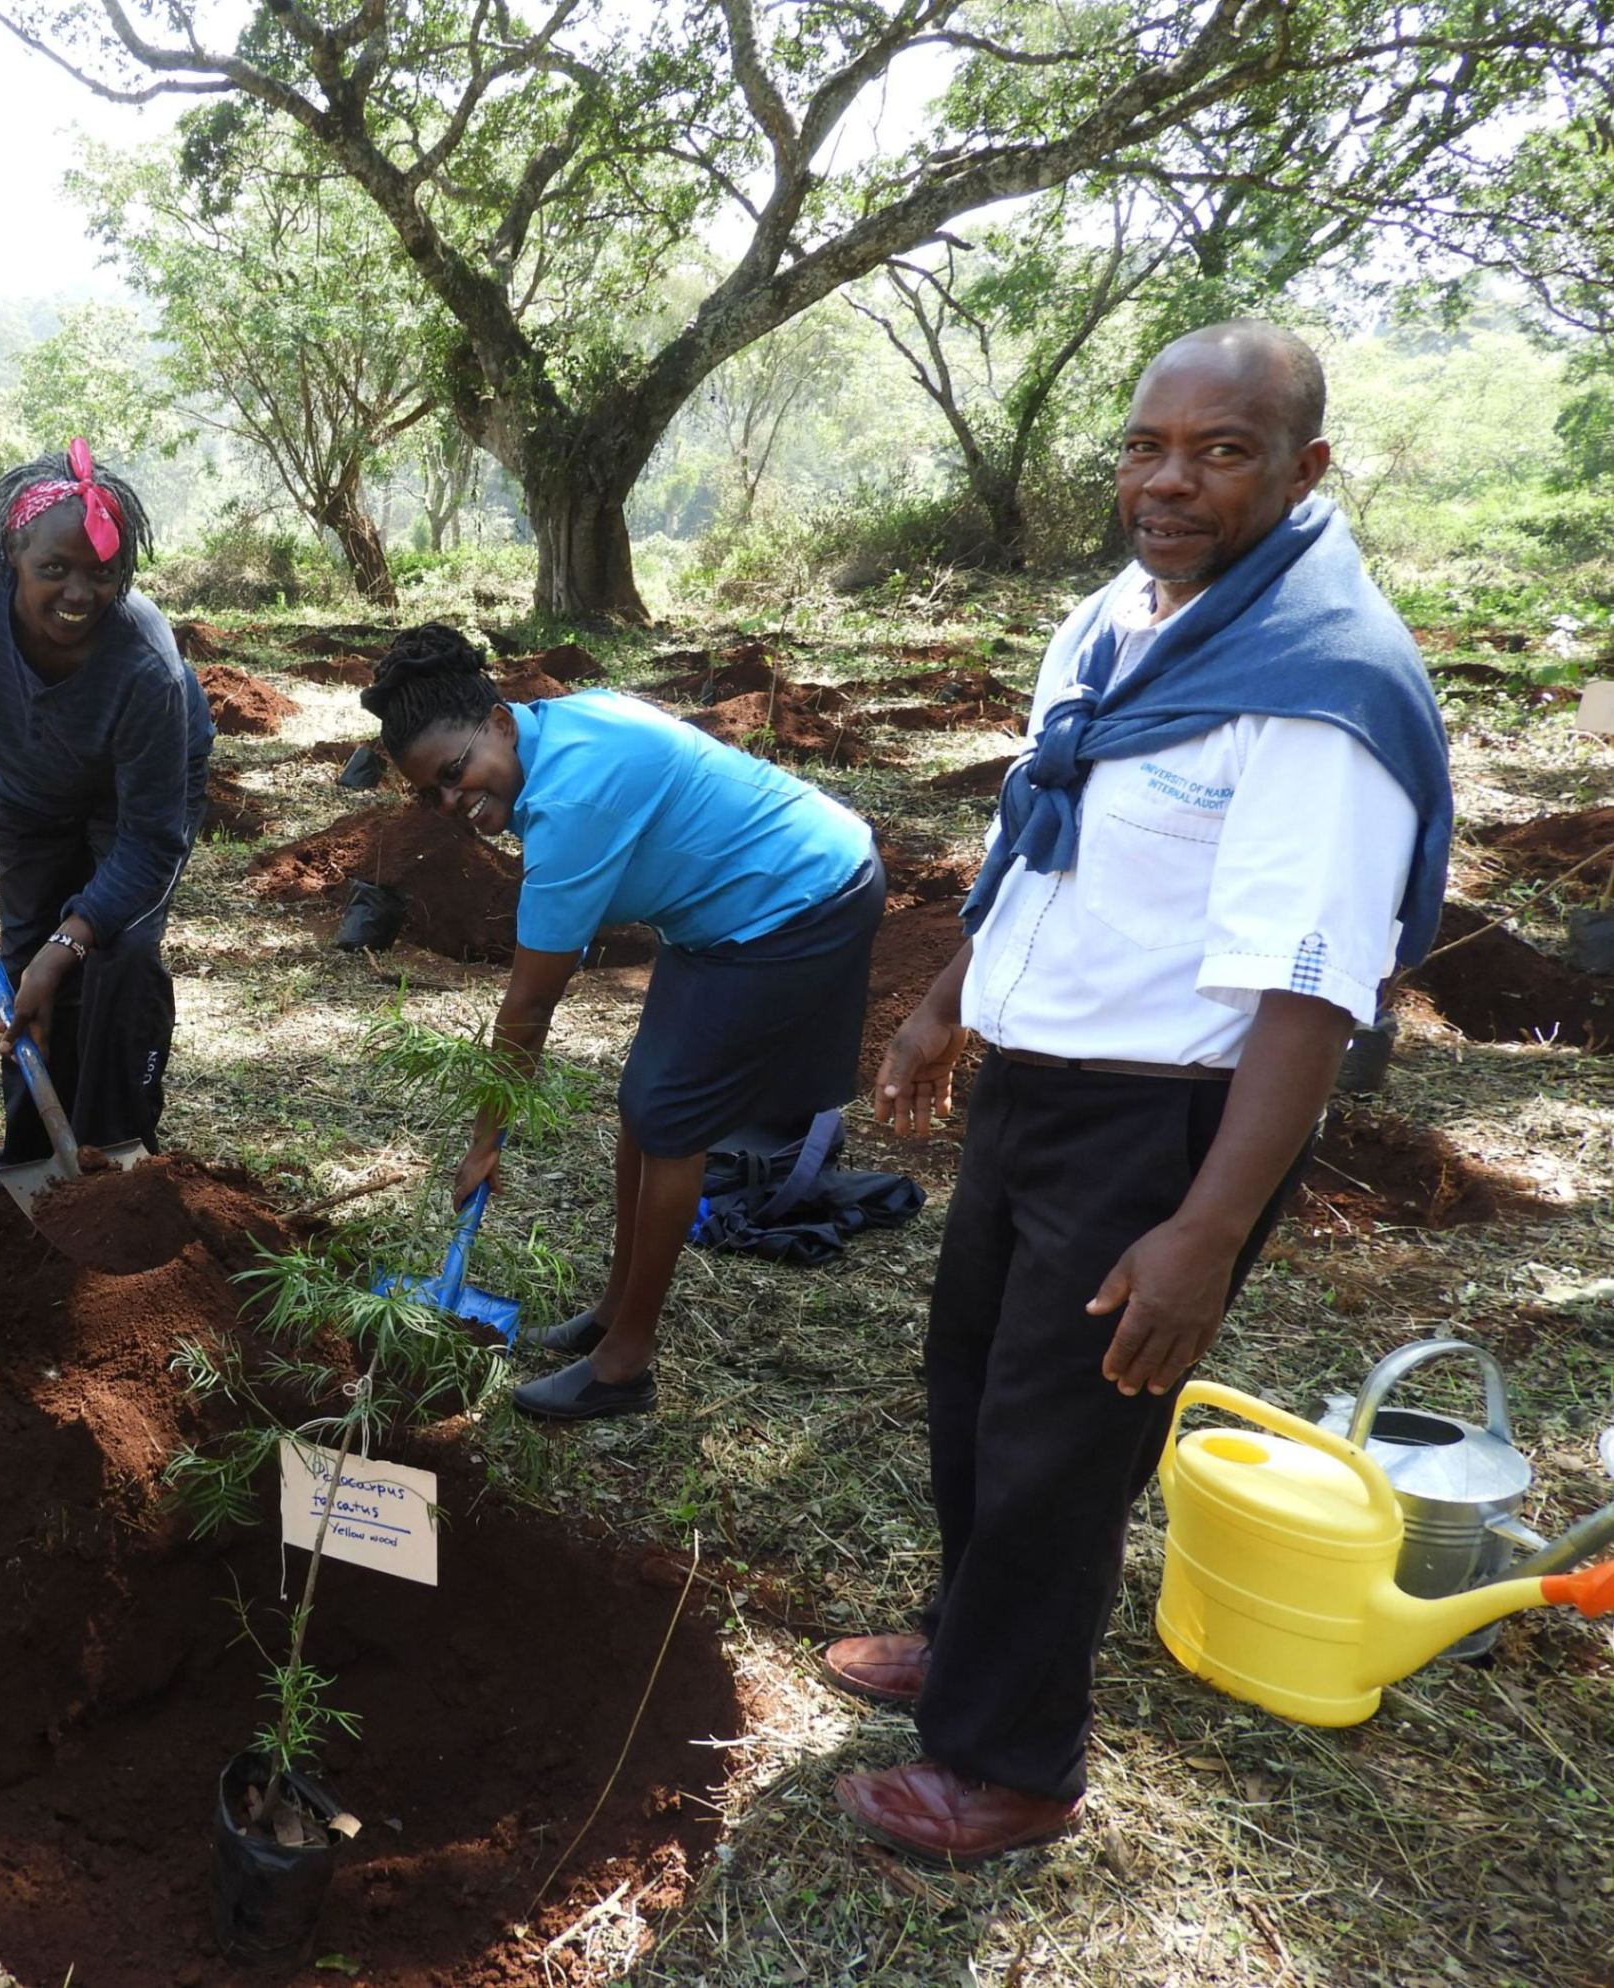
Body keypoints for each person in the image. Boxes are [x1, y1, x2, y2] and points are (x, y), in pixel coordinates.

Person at [829, 321, 1452, 1864]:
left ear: (1300, 468)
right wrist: (940, 1001)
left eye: (1220, 450)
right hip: (1037, 1087)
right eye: (1144, 446)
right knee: (975, 1390)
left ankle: (1010, 1763)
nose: (1166, 481)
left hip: (1159, 1126)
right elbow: (1040, 831)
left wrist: (1200, 1230)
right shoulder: (1123, 615)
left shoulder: (1316, 690)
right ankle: (967, 1643)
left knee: (1062, 1445)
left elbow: (1307, 992)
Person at [357, 628, 883, 1420]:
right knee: (646, 1103)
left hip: (799, 898)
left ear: (500, 721)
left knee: (669, 1116)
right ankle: (611, 1314)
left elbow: (530, 1005)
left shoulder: (573, 800)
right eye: (431, 791)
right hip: (724, 912)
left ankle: (625, 1363)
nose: (450, 803)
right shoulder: (557, 730)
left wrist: (484, 1141)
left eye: (454, 773)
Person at [0, 441, 213, 1198]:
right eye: (53, 569)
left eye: (102, 574)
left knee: (119, 954)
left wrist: (73, 942)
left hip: (136, 800)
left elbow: (150, 841)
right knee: (24, 970)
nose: (78, 592)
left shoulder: (146, 667)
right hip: (29, 788)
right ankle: (29, 1162)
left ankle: (115, 1161)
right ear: (9, 557)